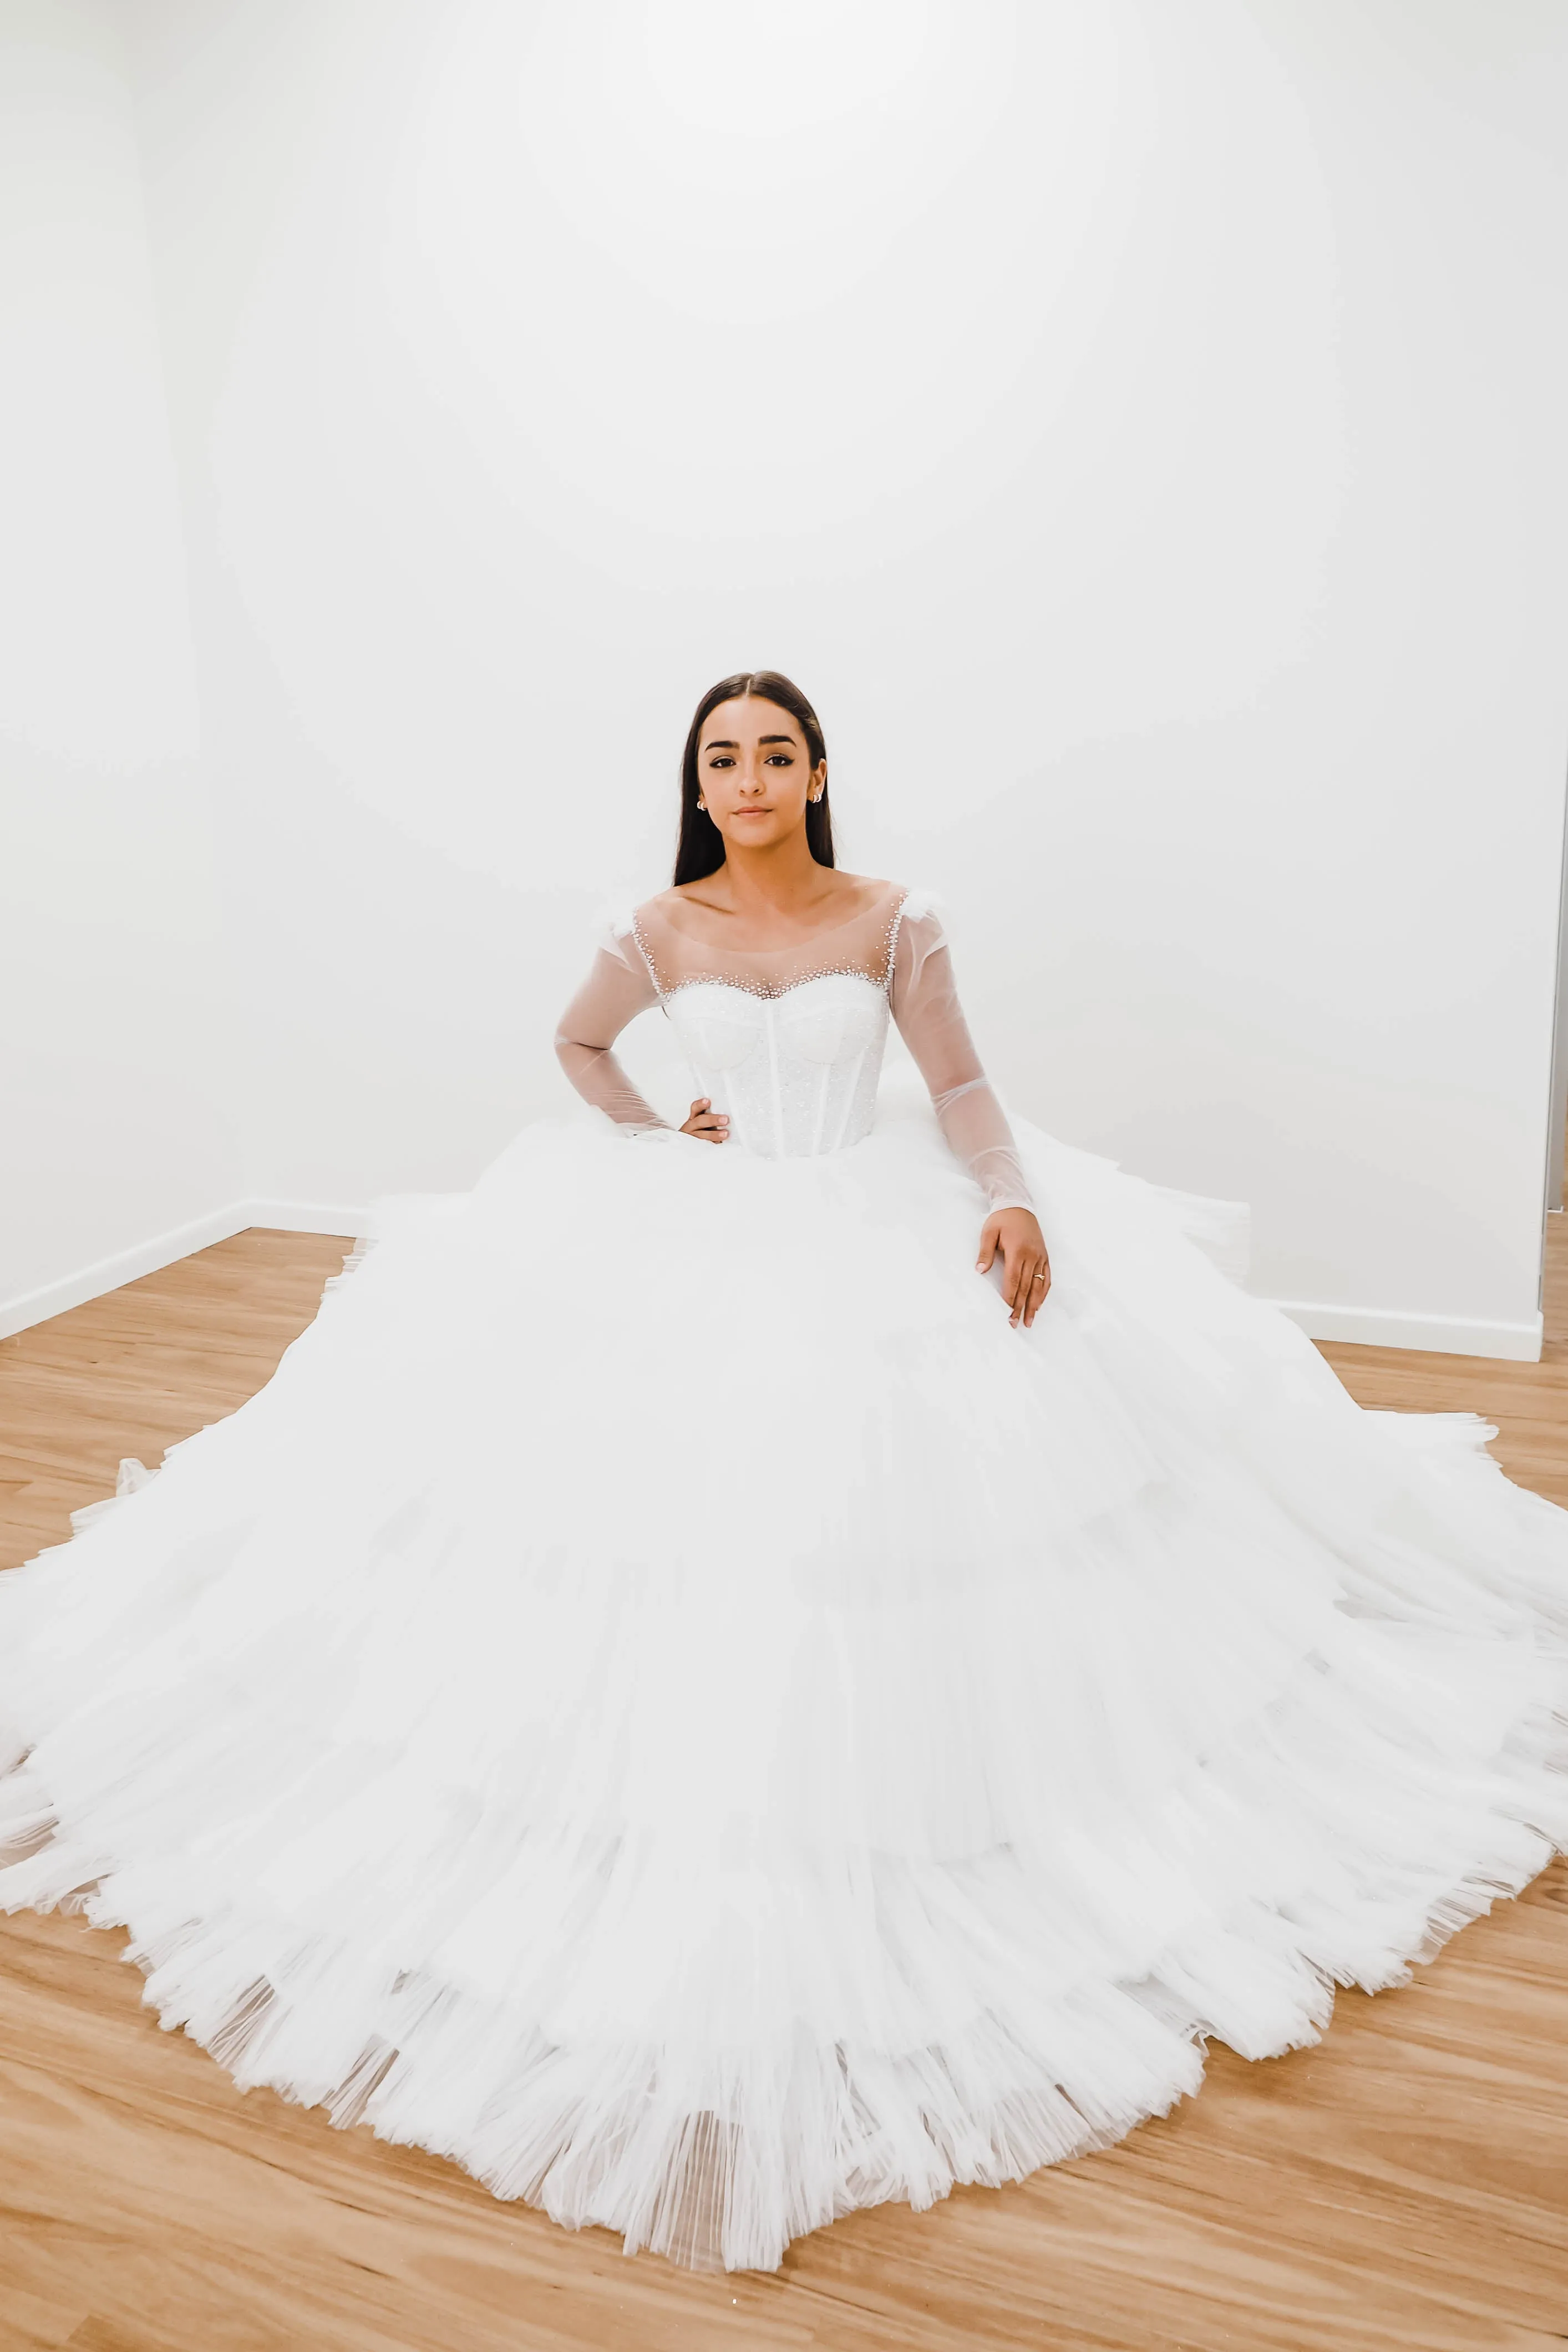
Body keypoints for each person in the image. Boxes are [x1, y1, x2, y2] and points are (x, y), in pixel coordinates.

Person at [1, 670, 1565, 2275]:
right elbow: (574, 1042)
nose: (748, 776)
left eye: (775, 753)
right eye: (721, 756)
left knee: (938, 1513)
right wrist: (650, 1128)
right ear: (702, 780)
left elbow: (956, 1082)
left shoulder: (894, 917)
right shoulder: (659, 923)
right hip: (706, 1229)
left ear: (818, 774)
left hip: (872, 1217)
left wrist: (1010, 1196)